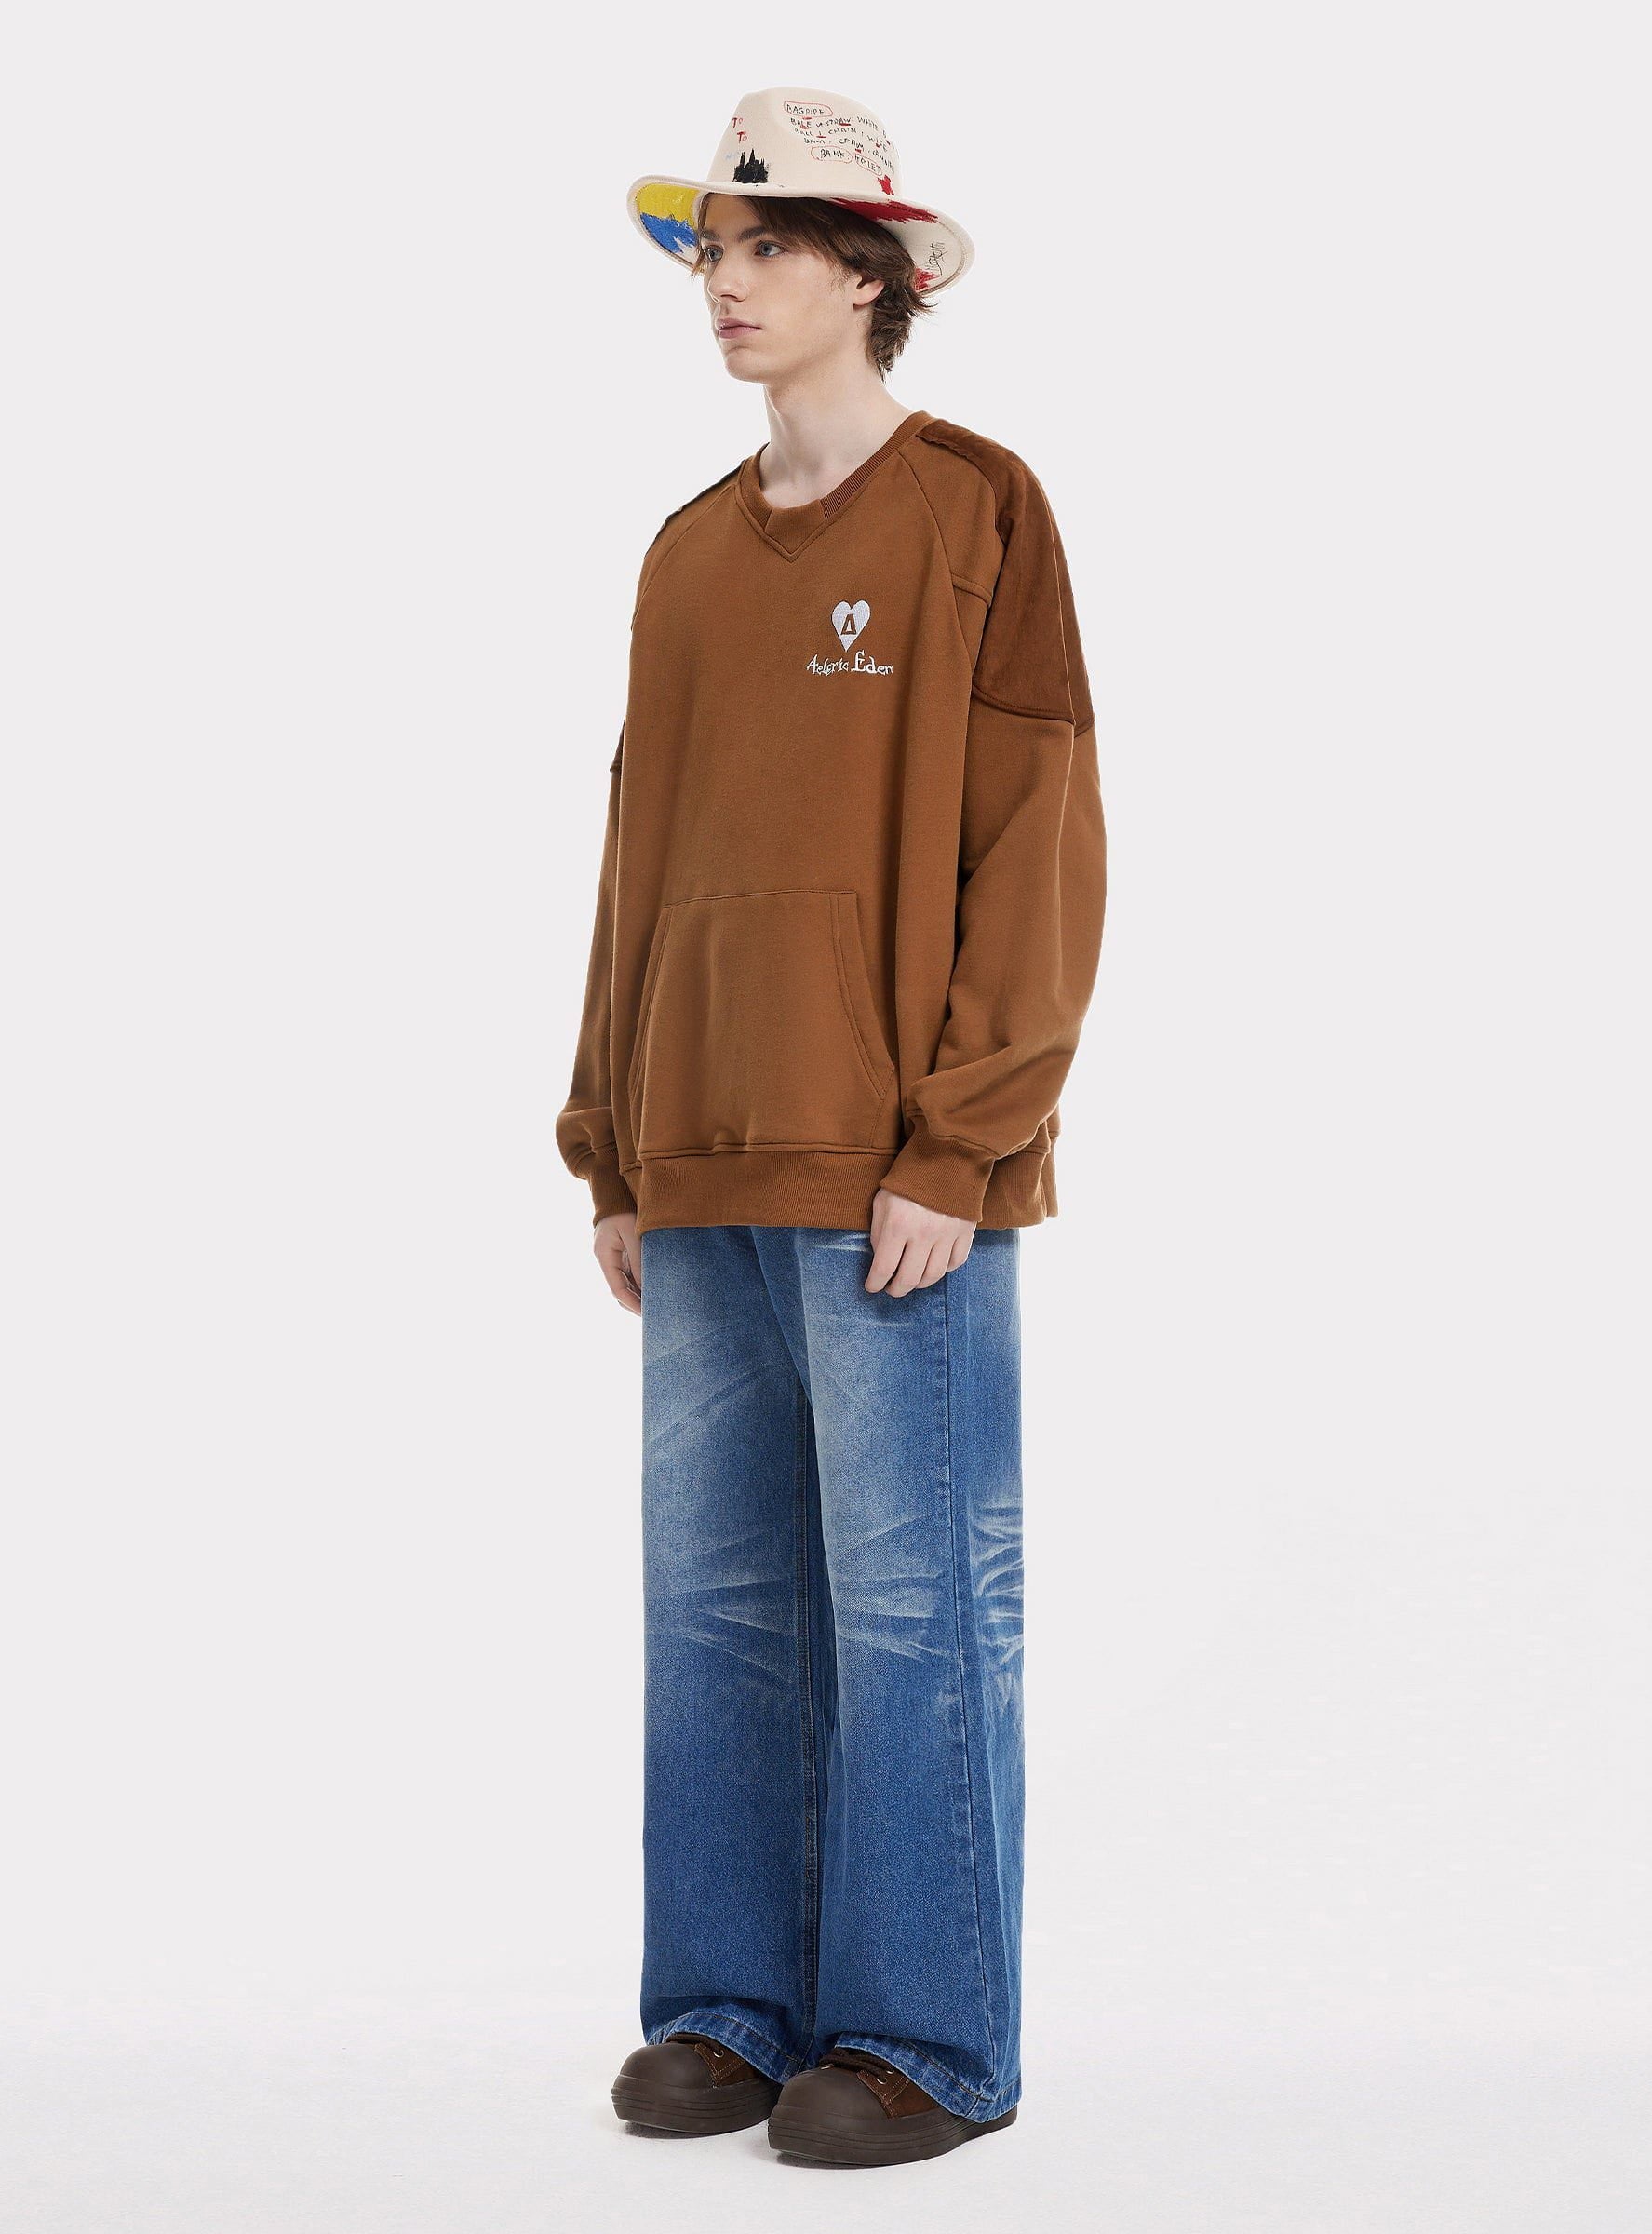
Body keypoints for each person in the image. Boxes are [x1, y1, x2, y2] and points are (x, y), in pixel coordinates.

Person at [556, 86, 1107, 2170]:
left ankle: (928, 2042)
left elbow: (1039, 837)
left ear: (871, 275)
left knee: (914, 1608)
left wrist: (963, 1141)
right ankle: (727, 2007)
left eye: (768, 246)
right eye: (711, 249)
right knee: (713, 1608)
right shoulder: (688, 551)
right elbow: (641, 854)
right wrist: (613, 1139)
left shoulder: (977, 510)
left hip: (896, 1174)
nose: (726, 282)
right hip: (698, 1159)